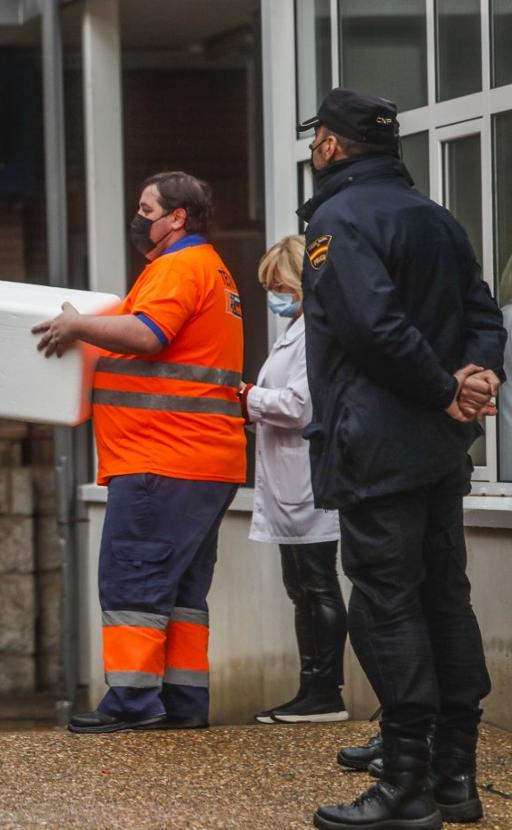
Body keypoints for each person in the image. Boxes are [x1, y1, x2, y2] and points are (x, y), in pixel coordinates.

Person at [299, 88, 506, 830]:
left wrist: (444, 386)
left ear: (331, 146)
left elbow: (370, 325)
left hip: (379, 445)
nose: (314, 148)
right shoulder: (437, 218)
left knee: (387, 606)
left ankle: (405, 787)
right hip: (440, 450)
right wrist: (479, 377)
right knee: (444, 599)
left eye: (317, 137)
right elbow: (484, 313)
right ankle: (456, 780)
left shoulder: (336, 220)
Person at [33, 171, 246, 733]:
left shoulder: (179, 267)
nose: (139, 218)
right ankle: (181, 705)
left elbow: (150, 335)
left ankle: (131, 705)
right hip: (200, 461)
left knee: (133, 584)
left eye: (147, 208)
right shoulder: (213, 270)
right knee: (178, 595)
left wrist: (79, 326)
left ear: (177, 217)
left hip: (163, 459)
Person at [241, 235, 347, 725]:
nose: (274, 296)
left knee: (318, 583)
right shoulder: (299, 331)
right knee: (301, 585)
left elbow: (301, 405)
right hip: (289, 479)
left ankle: (324, 690)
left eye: (278, 285)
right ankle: (312, 687)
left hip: (308, 479)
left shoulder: (316, 334)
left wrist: (249, 398)